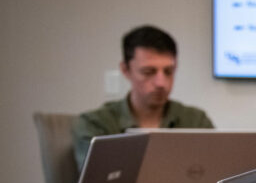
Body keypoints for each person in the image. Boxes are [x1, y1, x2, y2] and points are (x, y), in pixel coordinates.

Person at [72, 25, 213, 170]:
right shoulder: (97, 125)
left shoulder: (196, 121)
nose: (161, 83)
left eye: (168, 72)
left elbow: (213, 173)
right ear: (125, 70)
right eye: (148, 72)